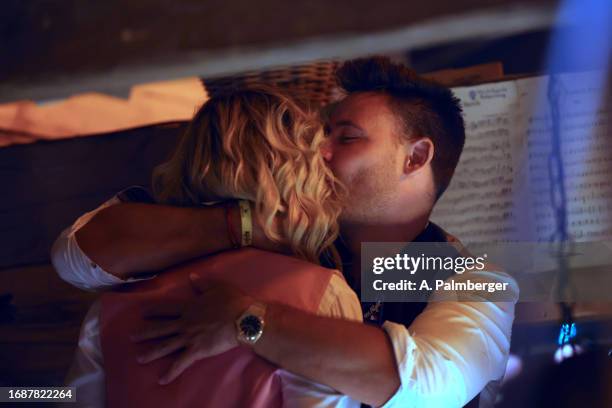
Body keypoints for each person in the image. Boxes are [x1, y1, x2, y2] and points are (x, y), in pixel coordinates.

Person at [52, 57, 519, 407]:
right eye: (321, 135)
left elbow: (426, 391)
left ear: (415, 158)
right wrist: (247, 225)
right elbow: (75, 257)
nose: (321, 152)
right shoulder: (283, 234)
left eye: (346, 137)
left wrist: (248, 321)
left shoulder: (470, 279)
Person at [63, 86, 363, 407]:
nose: (329, 156)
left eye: (346, 139)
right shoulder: (323, 297)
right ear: (300, 174)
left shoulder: (110, 310)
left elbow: (70, 399)